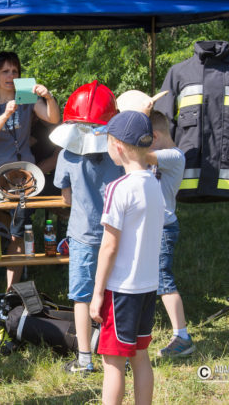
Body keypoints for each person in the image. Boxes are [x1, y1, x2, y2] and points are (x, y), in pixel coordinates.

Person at [89, 111, 164, 405]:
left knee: (113, 363)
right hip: (147, 286)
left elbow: (109, 246)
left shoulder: (118, 188)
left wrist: (97, 293)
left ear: (117, 146)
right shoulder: (155, 183)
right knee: (140, 356)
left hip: (121, 289)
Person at [0, 51, 60, 301]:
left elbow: (54, 118)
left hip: (24, 176)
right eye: (5, 71)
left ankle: (12, 294)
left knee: (17, 232)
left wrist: (47, 96)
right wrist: (6, 114)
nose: (11, 76)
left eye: (15, 71)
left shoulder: (26, 97)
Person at [52, 82, 122, 374]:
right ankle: (117, 353)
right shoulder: (119, 152)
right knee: (114, 294)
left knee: (81, 297)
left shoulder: (66, 154)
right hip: (116, 234)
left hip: (82, 235)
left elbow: (66, 198)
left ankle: (84, 359)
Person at [146, 110, 194, 357]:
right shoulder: (158, 154)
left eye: (144, 139)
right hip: (152, 227)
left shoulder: (174, 156)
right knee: (152, 280)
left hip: (163, 228)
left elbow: (137, 154)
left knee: (163, 279)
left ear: (154, 136)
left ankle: (182, 336)